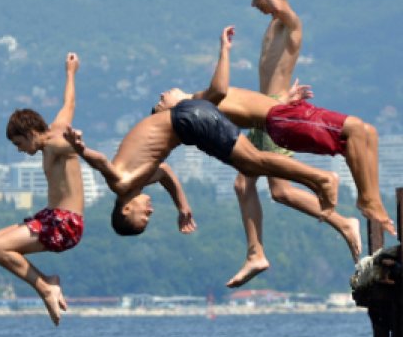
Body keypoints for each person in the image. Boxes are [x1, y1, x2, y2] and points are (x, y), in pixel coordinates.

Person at [64, 27, 339, 237]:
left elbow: (102, 164)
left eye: (143, 216)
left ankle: (321, 178)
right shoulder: (140, 178)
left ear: (125, 208)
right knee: (252, 161)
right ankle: (317, 178)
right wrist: (182, 206)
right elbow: (167, 175)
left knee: (253, 162)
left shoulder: (121, 184)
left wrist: (81, 148)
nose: (150, 211)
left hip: (188, 123)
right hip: (190, 122)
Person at [155, 27, 396, 238]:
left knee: (368, 132)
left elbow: (248, 106)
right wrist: (224, 50)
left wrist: (281, 99)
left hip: (283, 112)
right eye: (160, 103)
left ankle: (374, 203)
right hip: (283, 120)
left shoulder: (199, 102)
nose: (161, 95)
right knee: (354, 129)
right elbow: (219, 89)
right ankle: (367, 201)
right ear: (171, 111)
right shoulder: (197, 105)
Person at [228, 0, 361, 287]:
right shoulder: (275, 24)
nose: (254, 4)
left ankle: (342, 222)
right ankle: (256, 253)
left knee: (280, 191)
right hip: (262, 113)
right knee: (245, 185)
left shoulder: (291, 23)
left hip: (273, 114)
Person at [0, 52, 83, 326]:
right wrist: (71, 72)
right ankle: (47, 283)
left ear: (29, 134)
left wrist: (77, 144)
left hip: (65, 224)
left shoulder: (53, 144)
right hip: (53, 217)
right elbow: (69, 103)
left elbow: (68, 147)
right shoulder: (56, 129)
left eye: (19, 144)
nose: (21, 151)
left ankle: (45, 286)